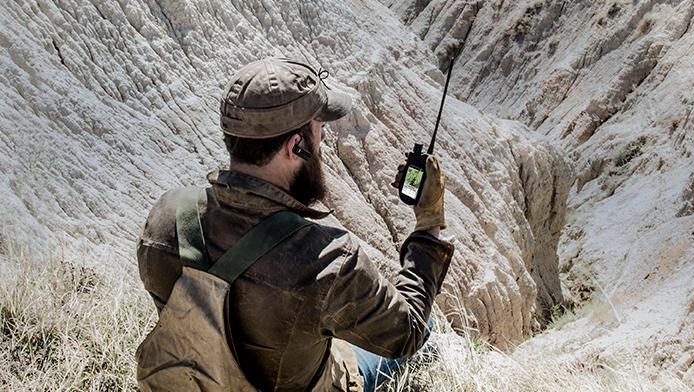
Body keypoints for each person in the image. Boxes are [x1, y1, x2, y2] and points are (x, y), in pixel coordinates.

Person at [135, 57, 454, 391]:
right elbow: (407, 332)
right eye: (319, 128)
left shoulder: (166, 217)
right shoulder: (328, 261)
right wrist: (428, 222)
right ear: (296, 147)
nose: (324, 139)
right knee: (427, 326)